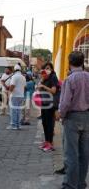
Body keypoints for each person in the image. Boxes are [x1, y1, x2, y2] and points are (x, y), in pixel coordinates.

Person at [56, 51, 89, 189]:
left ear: (69, 63)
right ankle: (81, 184)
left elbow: (65, 103)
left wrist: (60, 114)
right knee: (84, 153)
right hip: (87, 117)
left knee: (71, 154)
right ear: (82, 62)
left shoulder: (70, 79)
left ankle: (70, 185)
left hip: (72, 118)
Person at [37, 62, 59, 152]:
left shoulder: (53, 77)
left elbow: (53, 91)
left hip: (50, 104)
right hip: (44, 103)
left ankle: (50, 143)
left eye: (49, 68)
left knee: (50, 124)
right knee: (44, 123)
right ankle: (47, 142)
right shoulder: (45, 78)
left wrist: (44, 86)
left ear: (52, 69)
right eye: (45, 68)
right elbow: (38, 88)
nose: (47, 69)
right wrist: (42, 80)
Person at [7, 64, 26, 130]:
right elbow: (24, 86)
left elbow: (12, 86)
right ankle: (18, 125)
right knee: (19, 111)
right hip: (21, 95)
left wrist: (9, 93)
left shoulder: (14, 77)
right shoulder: (23, 77)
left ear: (15, 70)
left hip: (15, 95)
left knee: (14, 111)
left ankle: (14, 125)